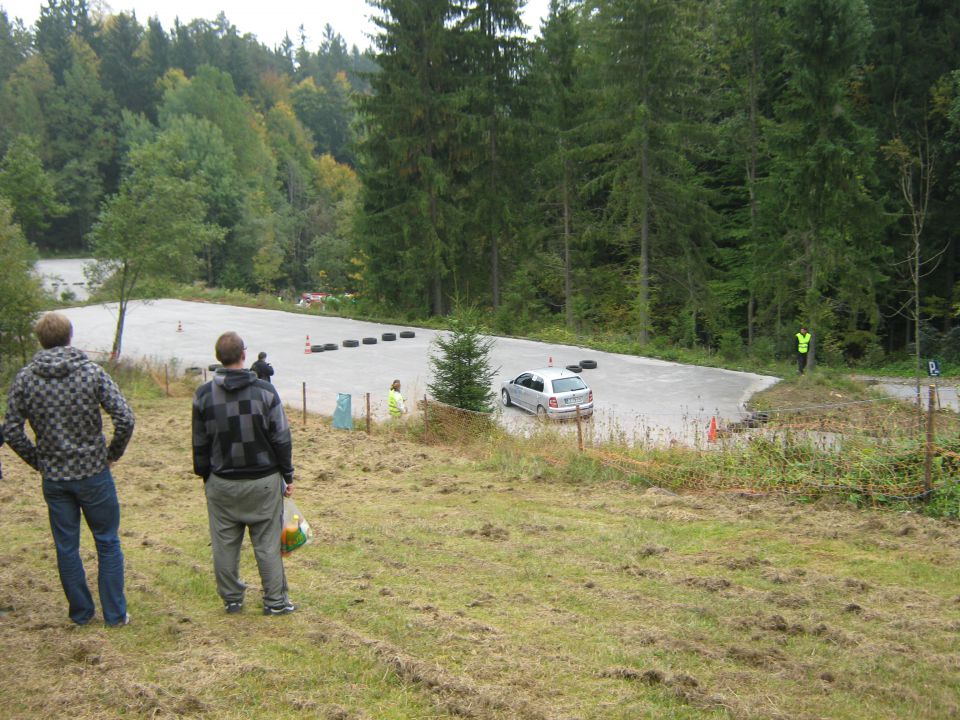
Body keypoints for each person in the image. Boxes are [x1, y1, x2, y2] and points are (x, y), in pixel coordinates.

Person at [3, 312, 135, 627]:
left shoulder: (26, 378)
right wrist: (111, 454)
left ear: (40, 340)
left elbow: (11, 429)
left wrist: (37, 460)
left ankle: (81, 613)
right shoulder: (92, 373)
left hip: (56, 476)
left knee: (66, 546)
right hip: (93, 472)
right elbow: (125, 417)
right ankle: (115, 615)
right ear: (69, 336)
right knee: (107, 541)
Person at [192, 331, 296, 616]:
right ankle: (275, 602)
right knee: (266, 545)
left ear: (219, 358)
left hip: (222, 483)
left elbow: (199, 442)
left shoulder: (203, 395)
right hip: (263, 482)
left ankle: (232, 599)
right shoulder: (265, 391)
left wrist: (206, 477)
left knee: (224, 545)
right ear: (243, 355)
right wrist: (288, 475)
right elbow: (282, 437)